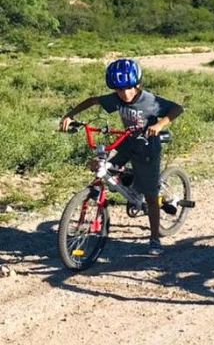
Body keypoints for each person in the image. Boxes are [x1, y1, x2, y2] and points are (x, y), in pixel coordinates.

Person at [59, 58, 184, 256]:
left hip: (147, 147)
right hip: (126, 142)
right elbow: (93, 100)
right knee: (101, 166)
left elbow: (177, 108)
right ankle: (129, 187)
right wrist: (70, 115)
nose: (124, 94)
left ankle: (154, 238)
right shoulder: (115, 99)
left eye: (128, 88)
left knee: (151, 197)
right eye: (119, 90)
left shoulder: (150, 101)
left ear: (138, 84)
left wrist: (159, 125)